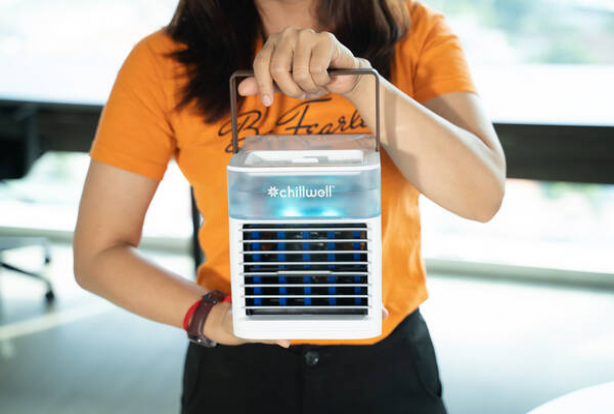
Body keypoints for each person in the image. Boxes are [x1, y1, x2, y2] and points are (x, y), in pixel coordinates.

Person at [73, 0, 506, 413]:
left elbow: (481, 196)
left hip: (387, 361)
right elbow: (98, 253)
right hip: (237, 362)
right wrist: (215, 318)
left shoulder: (415, 33)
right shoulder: (162, 61)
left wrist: (359, 84)